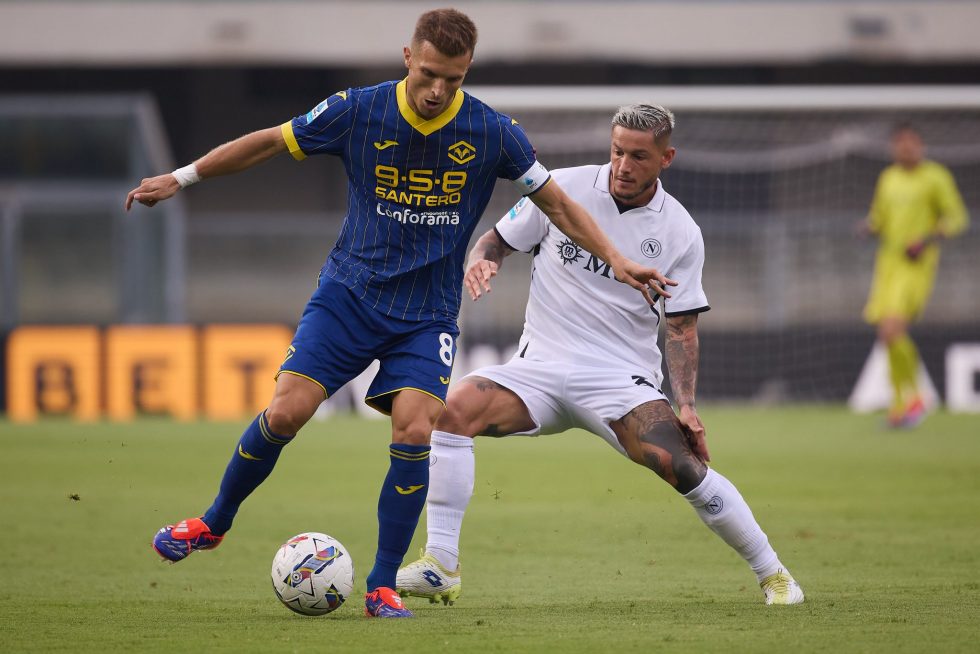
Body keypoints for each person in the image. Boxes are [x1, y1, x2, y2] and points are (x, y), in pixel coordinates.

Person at [125, 9, 669, 619]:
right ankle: (214, 522)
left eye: (453, 80)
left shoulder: (493, 132)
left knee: (415, 430)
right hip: (348, 297)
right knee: (285, 413)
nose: (438, 90)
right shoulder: (356, 110)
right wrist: (182, 177)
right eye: (429, 74)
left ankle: (381, 585)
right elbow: (270, 143)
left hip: (426, 315)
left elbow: (559, 206)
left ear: (467, 73)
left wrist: (618, 259)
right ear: (408, 57)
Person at [395, 104, 805, 607]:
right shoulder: (560, 190)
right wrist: (482, 261)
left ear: (666, 158)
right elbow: (495, 241)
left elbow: (681, 328)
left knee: (682, 466)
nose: (623, 166)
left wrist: (688, 406)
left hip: (618, 379)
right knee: (453, 410)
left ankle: (774, 575)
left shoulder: (680, 231)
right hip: (537, 371)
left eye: (638, 156)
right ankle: (441, 563)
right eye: (617, 152)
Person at [860, 124, 968, 428]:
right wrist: (870, 227)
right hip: (887, 264)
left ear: (921, 145)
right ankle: (900, 405)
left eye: (911, 143)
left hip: (916, 266)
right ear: (894, 147)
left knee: (892, 329)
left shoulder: (935, 177)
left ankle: (915, 398)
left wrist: (927, 240)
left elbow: (957, 218)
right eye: (900, 143)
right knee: (886, 335)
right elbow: (879, 217)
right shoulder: (888, 178)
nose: (906, 148)